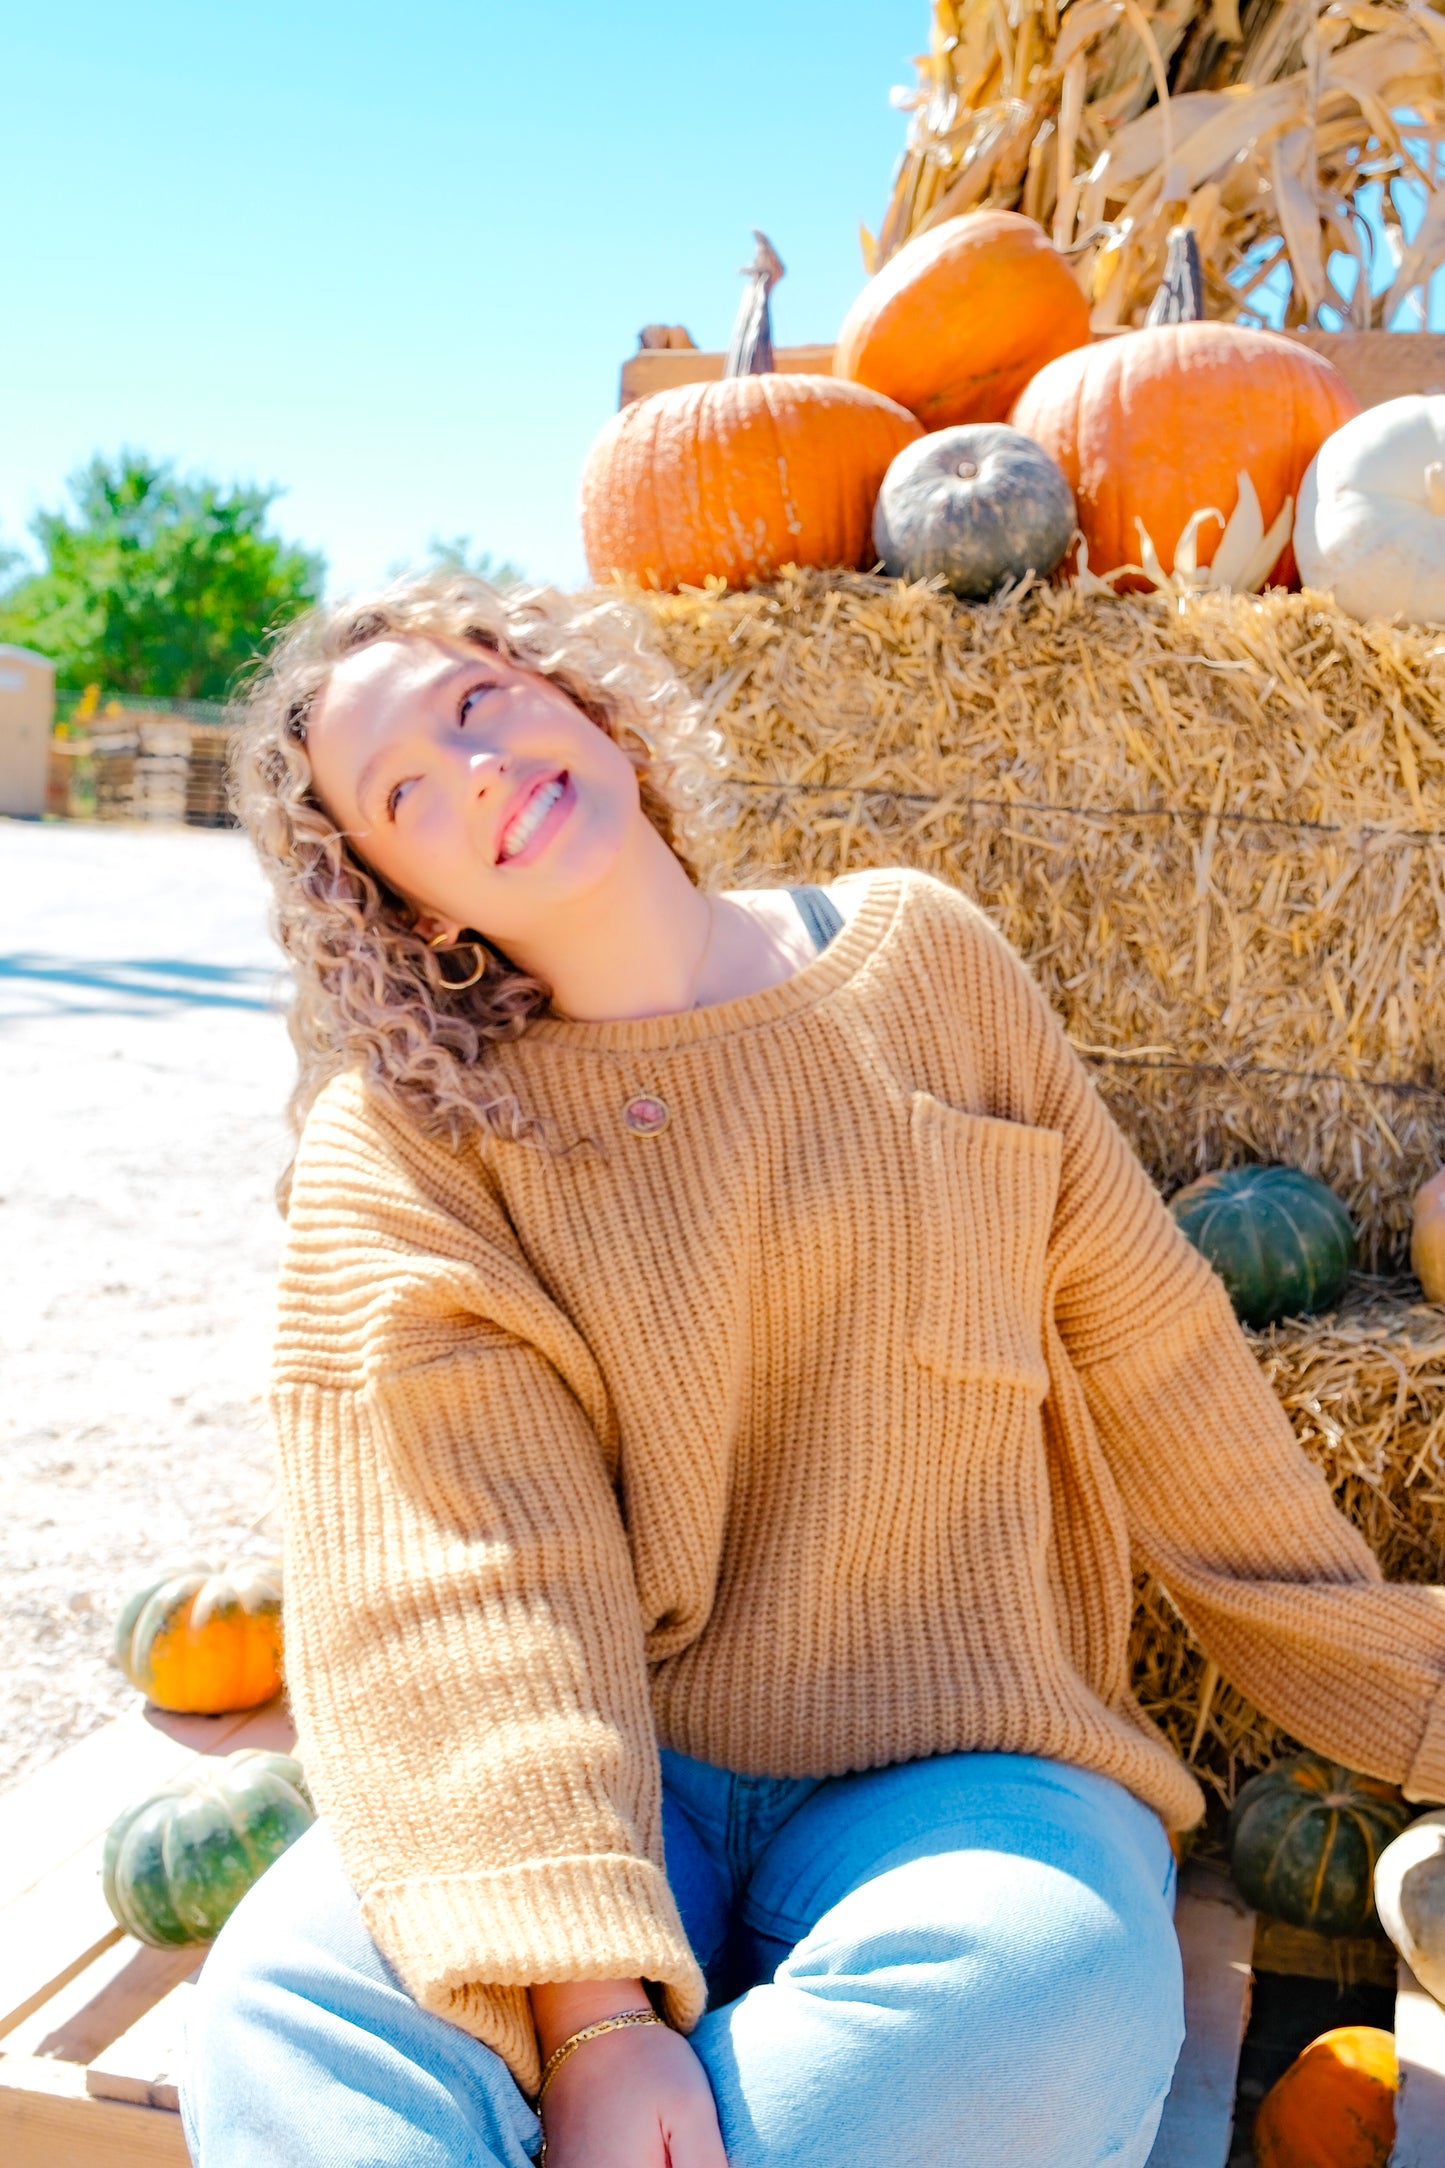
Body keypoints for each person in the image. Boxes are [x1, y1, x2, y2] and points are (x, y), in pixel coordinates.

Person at [183, 570, 1445, 2168]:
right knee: (291, 2026)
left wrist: (1406, 1692)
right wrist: (596, 2018)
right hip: (611, 1759)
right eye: (407, 793)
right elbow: (465, 1574)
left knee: (1040, 1997)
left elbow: (1156, 1353)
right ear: (409, 904)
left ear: (587, 703)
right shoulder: (415, 1148)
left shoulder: (920, 959)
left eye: (479, 702)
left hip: (967, 1767)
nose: (478, 766)